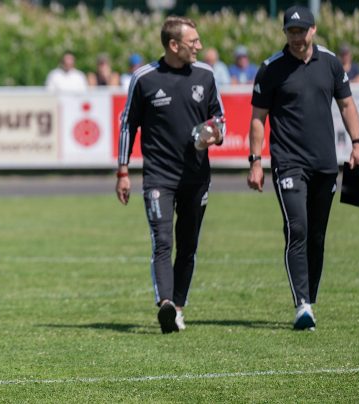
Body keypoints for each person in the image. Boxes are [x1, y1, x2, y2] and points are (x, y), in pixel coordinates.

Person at [245, 6, 359, 331]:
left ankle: (309, 299)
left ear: (313, 30)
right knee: (297, 228)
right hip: (288, 163)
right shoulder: (271, 68)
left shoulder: (330, 63)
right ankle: (302, 304)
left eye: (301, 31)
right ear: (285, 33)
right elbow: (258, 119)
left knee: (317, 235)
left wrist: (357, 145)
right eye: (291, 31)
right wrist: (255, 161)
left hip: (325, 164)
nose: (296, 37)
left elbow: (346, 104)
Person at [116, 16, 224, 334]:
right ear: (174, 45)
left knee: (188, 245)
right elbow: (127, 125)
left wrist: (214, 132)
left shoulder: (206, 75)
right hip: (158, 177)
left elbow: (219, 118)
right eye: (193, 42)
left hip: (196, 177)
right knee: (162, 241)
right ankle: (165, 303)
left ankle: (177, 309)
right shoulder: (144, 78)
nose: (199, 46)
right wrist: (123, 170)